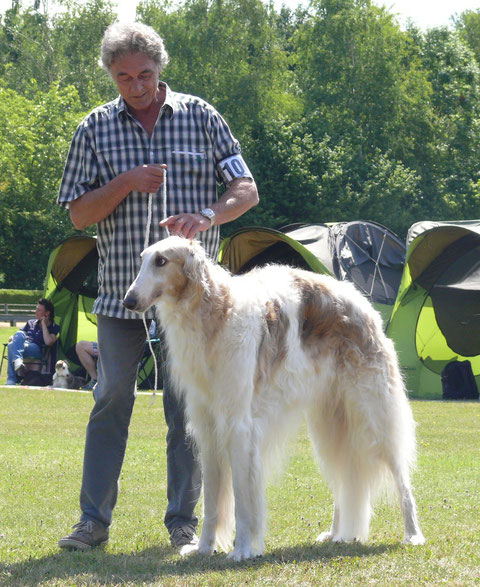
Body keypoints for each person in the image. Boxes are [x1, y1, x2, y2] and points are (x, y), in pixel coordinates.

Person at [56, 22, 258, 553]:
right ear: (111, 75)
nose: (136, 86)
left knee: (186, 407)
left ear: (160, 68)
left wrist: (209, 214)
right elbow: (78, 214)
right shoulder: (94, 129)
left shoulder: (202, 116)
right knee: (111, 399)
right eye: (124, 77)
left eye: (144, 74)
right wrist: (125, 182)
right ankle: (92, 522)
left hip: (195, 305)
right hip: (122, 298)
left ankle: (183, 523)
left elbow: (246, 189)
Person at [6, 298, 59, 385]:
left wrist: (44, 325)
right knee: (13, 341)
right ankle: (17, 363)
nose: (36, 312)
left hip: (36, 349)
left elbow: (49, 342)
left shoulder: (53, 326)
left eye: (39, 310)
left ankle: (11, 378)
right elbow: (19, 335)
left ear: (47, 313)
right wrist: (14, 337)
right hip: (23, 346)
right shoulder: (30, 322)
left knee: (12, 345)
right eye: (36, 309)